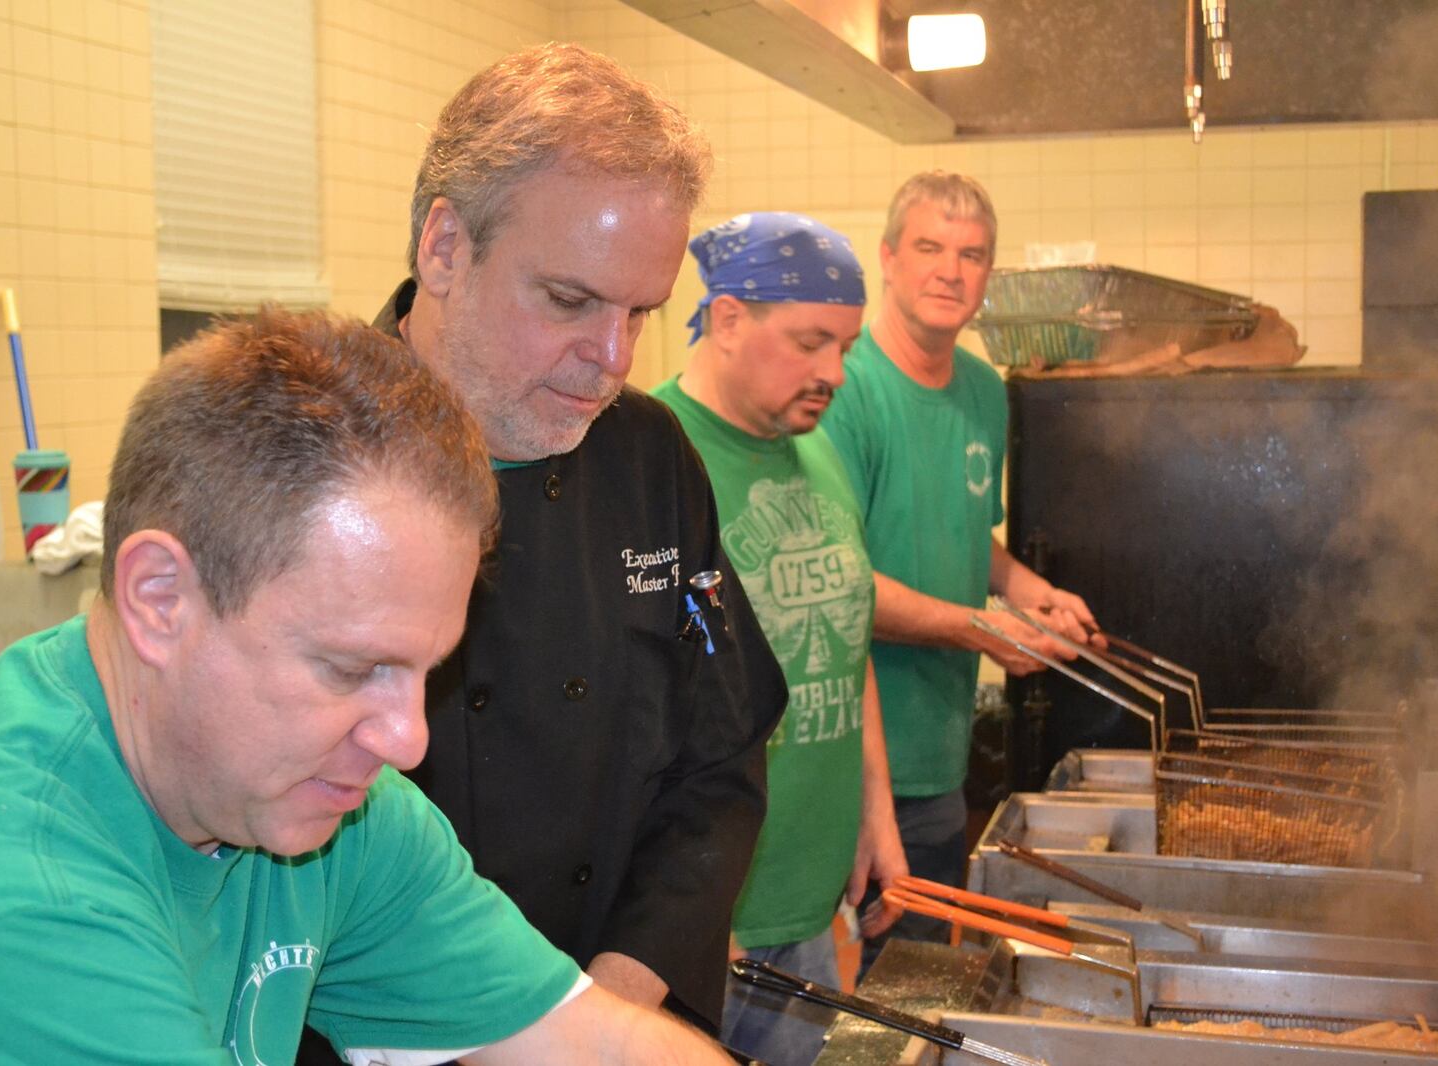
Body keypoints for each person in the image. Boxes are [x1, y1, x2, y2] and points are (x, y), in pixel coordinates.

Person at [0, 309, 735, 1065]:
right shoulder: (16, 913)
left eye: (426, 672)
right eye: (351, 670)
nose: (406, 740)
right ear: (159, 600)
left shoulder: (323, 809)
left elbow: (593, 1042)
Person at [367, 43, 787, 1034]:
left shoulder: (648, 456)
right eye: (568, 300)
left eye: (640, 312)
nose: (610, 359)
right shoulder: (303, 454)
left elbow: (719, 760)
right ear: (443, 247)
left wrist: (618, 993)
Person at [652, 212, 909, 1065]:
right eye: (809, 343)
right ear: (728, 319)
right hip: (705, 921)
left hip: (808, 901)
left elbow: (847, 638)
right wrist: (684, 909)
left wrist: (875, 811)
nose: (833, 372)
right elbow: (624, 714)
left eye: (844, 346)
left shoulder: (819, 452)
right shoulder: (648, 462)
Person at [820, 172, 1099, 955]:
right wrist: (983, 631)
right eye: (930, 248)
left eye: (972, 254)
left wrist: (1032, 592)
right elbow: (840, 585)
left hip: (941, 752)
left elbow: (966, 532)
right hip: (854, 759)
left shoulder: (983, 390)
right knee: (862, 990)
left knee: (922, 972)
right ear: (888, 258)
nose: (951, 270)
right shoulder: (846, 391)